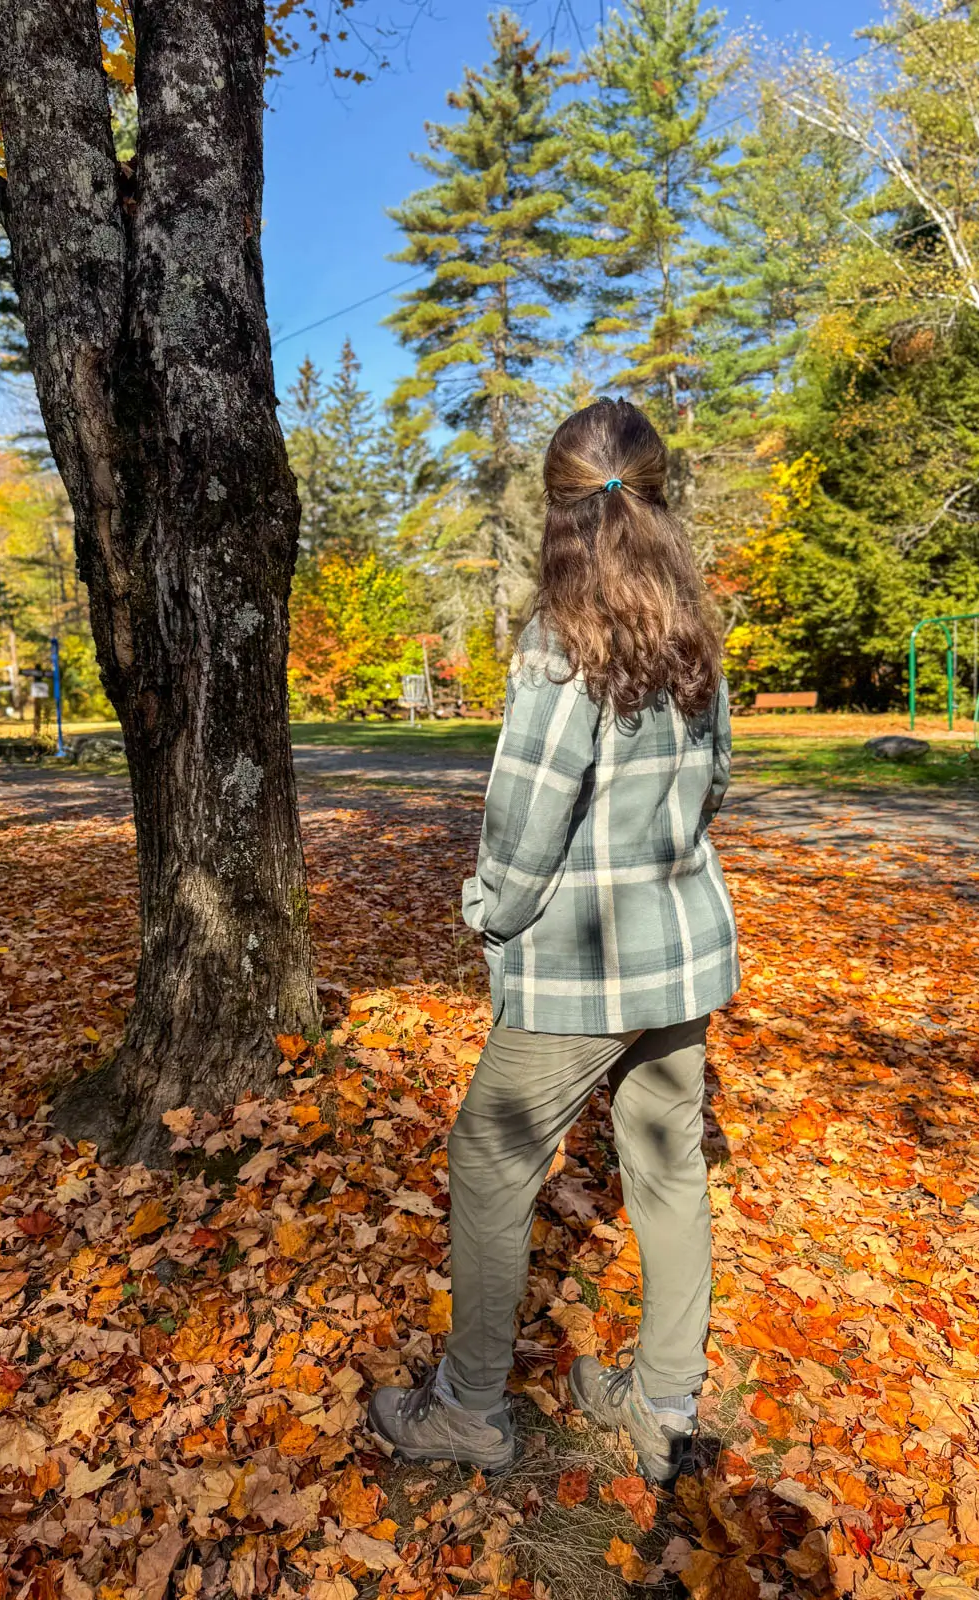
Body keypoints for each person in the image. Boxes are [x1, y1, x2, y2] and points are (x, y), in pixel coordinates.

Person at [368, 398, 739, 1485]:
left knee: (488, 1160)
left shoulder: (558, 640)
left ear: (559, 508)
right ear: (655, 500)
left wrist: (491, 910)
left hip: (581, 965)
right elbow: (716, 781)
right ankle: (664, 1403)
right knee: (668, 1170)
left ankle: (470, 1408)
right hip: (680, 954)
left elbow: (524, 822)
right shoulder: (694, 630)